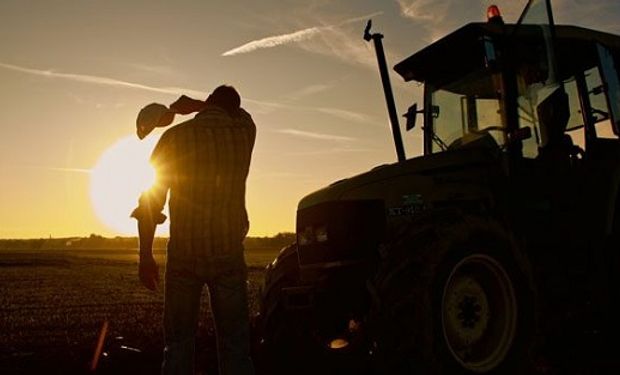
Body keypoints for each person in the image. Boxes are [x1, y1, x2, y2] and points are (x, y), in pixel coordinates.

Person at [131, 85, 256, 375]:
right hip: (228, 255)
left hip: (184, 256)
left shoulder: (174, 137)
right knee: (235, 345)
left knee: (178, 345)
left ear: (211, 101)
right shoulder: (244, 134)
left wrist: (146, 256)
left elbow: (150, 203)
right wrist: (200, 105)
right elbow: (243, 115)